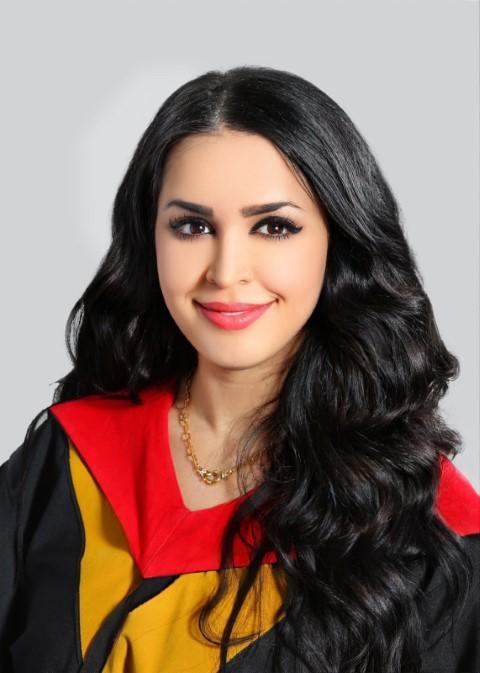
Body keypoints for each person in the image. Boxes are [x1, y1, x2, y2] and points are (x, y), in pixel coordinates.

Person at [0, 66, 479, 673]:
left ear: (338, 244)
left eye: (274, 227)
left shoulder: (428, 532)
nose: (226, 271)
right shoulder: (64, 462)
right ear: (150, 239)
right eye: (193, 226)